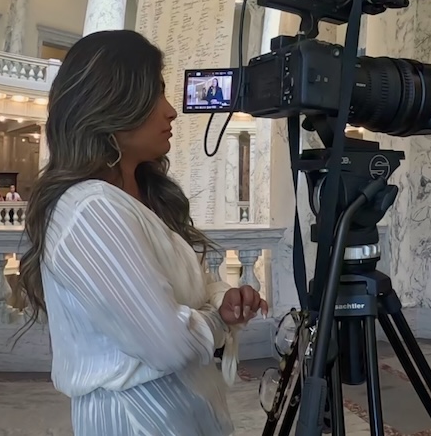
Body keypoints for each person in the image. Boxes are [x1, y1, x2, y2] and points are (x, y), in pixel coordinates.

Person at [16, 30, 268, 436]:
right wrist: (218, 321)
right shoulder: (91, 209)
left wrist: (223, 299)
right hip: (138, 421)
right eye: (157, 94)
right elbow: (167, 345)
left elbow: (193, 288)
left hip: (186, 408)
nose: (171, 112)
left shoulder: (140, 197)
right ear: (112, 103)